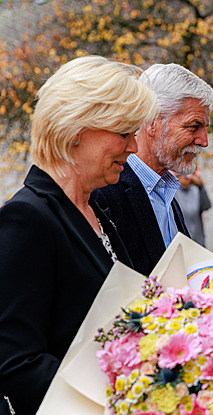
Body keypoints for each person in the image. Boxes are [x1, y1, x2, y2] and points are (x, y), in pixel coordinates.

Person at [0, 56, 157, 415]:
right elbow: (13, 362)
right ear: (75, 131)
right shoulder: (26, 218)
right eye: (123, 133)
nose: (133, 148)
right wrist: (118, 397)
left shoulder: (97, 210)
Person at [93, 63, 213, 276]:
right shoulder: (105, 193)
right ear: (152, 122)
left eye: (205, 128)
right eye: (193, 126)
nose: (203, 141)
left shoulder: (165, 189)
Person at [174, 166, 212, 246]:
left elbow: (207, 206)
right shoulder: (173, 192)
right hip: (180, 242)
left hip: (198, 241)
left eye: (187, 175)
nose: (185, 178)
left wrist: (201, 186)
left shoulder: (196, 190)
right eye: (181, 175)